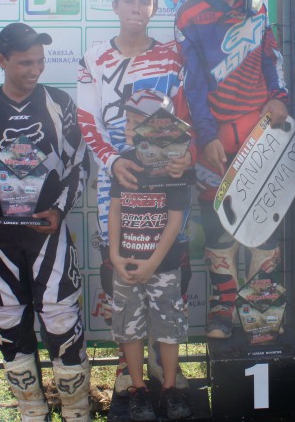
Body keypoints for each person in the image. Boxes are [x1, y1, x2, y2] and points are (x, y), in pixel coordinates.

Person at [0, 22, 91, 422]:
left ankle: (77, 412)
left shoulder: (60, 103)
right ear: (1, 61)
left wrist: (59, 209)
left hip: (47, 231)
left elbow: (80, 163)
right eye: (26, 62)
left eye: (40, 61)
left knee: (61, 318)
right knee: (8, 321)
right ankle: (32, 411)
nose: (36, 69)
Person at [76, 0, 192, 395]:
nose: (137, 8)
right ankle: (129, 370)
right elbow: (87, 120)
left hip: (167, 180)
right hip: (117, 179)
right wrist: (111, 162)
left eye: (145, 1)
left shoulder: (173, 57)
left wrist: (186, 157)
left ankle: (166, 367)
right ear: (114, 5)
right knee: (120, 270)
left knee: (170, 266)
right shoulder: (93, 58)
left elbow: (189, 113)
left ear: (155, 8)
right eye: (130, 0)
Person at [174, 0, 288, 339]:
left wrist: (278, 95)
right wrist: (206, 137)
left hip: (260, 132)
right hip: (216, 136)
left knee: (264, 221)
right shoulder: (189, 15)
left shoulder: (256, 4)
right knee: (218, 222)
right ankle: (223, 307)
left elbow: (270, 56)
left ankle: (259, 308)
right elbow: (192, 84)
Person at [109, 90, 193, 421]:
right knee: (129, 328)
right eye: (128, 120)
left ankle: (170, 388)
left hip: (164, 266)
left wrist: (153, 265)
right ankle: (138, 389)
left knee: (168, 328)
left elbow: (175, 221)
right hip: (127, 264)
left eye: (137, 122)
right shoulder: (124, 161)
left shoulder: (176, 166)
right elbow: (115, 211)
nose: (129, 127)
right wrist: (115, 256)